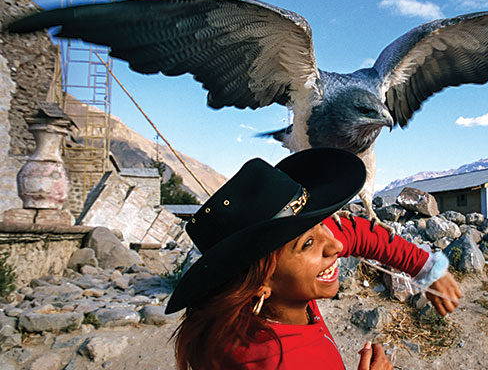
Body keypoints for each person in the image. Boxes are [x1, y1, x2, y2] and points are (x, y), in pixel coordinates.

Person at [165, 147, 462, 369]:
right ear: (260, 283)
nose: (333, 244)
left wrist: (426, 267)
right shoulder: (286, 361)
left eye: (319, 223)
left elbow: (354, 232)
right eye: (308, 243)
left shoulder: (253, 304)